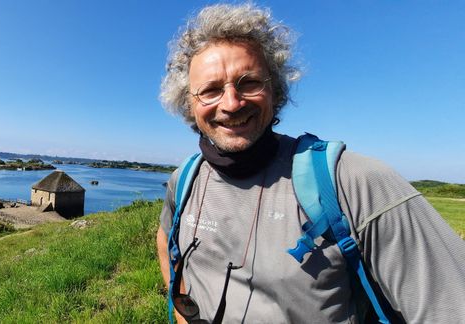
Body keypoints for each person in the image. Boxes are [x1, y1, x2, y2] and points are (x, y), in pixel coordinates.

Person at [156, 3, 465, 323]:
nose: (232, 103)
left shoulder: (356, 182)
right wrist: (182, 314)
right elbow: (166, 239)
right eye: (210, 90)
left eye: (249, 82)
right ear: (189, 105)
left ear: (275, 90)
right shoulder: (185, 180)